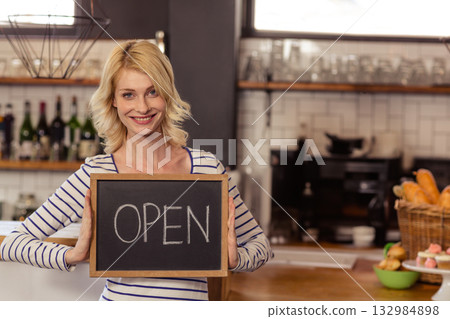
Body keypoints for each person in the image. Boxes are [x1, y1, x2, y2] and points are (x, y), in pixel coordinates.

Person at [0, 40, 273, 301]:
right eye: (128, 94)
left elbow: (260, 246)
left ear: (167, 94)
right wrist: (72, 255)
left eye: (152, 92)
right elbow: (10, 244)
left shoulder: (206, 169)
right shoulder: (97, 173)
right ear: (114, 100)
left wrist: (236, 260)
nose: (142, 107)